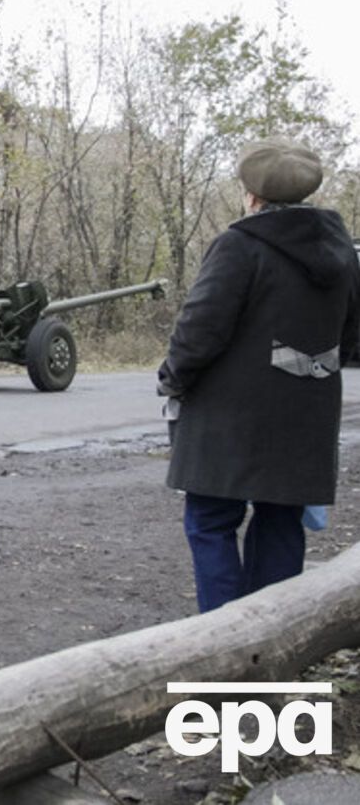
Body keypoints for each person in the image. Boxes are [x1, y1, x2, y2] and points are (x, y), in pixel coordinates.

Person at [158, 136, 360, 613]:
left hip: (231, 418)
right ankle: (269, 647)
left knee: (210, 521)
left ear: (252, 195)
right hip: (305, 414)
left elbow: (199, 330)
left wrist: (173, 377)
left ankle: (222, 648)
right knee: (281, 524)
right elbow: (350, 335)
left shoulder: (239, 246)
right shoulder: (343, 252)